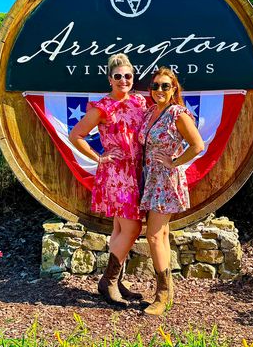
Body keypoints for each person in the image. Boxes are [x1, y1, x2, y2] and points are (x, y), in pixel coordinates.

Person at [69, 54, 146, 307]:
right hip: (117, 176)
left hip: (136, 171)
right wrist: (99, 158)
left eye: (128, 76)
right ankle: (108, 281)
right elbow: (76, 135)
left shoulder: (139, 102)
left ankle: (118, 280)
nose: (123, 80)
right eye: (118, 76)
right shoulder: (102, 107)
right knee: (132, 228)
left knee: (120, 228)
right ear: (109, 79)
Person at [138, 67, 204, 316]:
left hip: (165, 180)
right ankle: (167, 291)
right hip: (150, 179)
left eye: (165, 86)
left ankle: (162, 295)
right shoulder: (150, 113)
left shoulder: (177, 113)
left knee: (154, 236)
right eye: (155, 86)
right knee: (162, 234)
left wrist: (174, 162)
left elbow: (198, 145)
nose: (159, 90)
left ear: (174, 88)